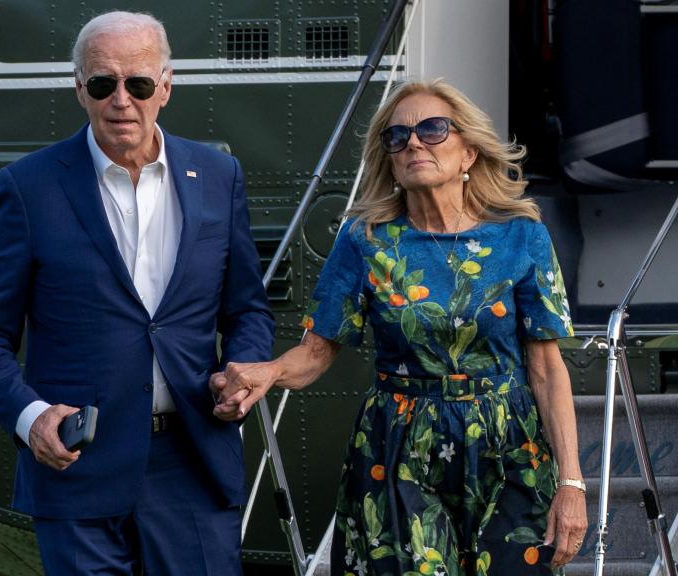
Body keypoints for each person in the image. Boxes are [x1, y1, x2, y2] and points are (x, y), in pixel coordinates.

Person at [214, 79, 587, 575]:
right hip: (400, 447)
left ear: (469, 153)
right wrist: (268, 372)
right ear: (388, 158)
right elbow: (317, 351)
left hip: (508, 449)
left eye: (433, 129)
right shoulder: (364, 240)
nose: (413, 142)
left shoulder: (521, 237)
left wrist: (572, 483)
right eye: (397, 136)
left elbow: (546, 367)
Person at [0, 11, 274, 574]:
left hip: (192, 464)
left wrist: (244, 369)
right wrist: (30, 418)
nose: (121, 100)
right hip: (78, 469)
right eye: (103, 84)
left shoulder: (219, 176)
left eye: (139, 84)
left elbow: (247, 307)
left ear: (166, 87)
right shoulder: (28, 187)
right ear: (80, 90)